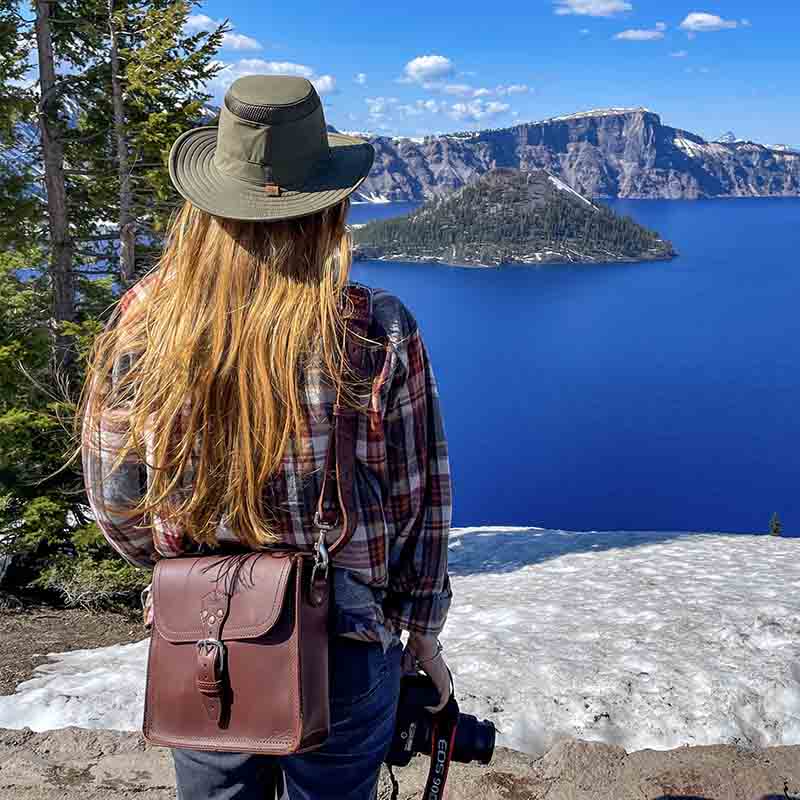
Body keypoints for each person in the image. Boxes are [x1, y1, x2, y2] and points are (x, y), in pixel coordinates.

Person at [77, 74, 453, 800]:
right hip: (344, 639)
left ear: (210, 201)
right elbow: (420, 506)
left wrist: (185, 572)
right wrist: (420, 636)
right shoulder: (376, 326)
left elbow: (117, 501)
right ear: (328, 206)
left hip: (205, 639)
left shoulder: (145, 319)